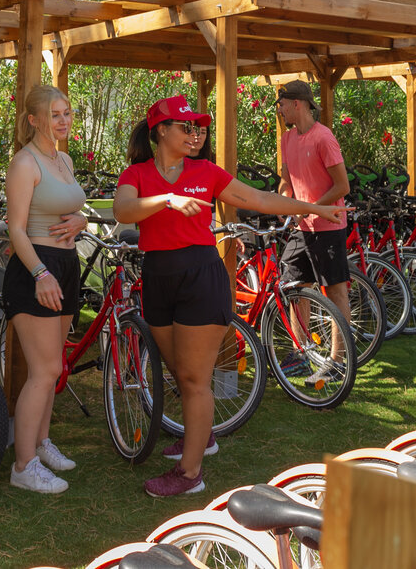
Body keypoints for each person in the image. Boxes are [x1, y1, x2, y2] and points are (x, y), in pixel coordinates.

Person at [113, 94, 348, 498]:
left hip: (201, 277)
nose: (194, 134)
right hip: (158, 277)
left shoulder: (207, 172)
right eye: (185, 127)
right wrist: (168, 200)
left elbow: (258, 199)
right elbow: (123, 211)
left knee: (193, 377)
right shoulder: (137, 174)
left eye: (197, 128)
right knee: (178, 371)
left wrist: (310, 206)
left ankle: (190, 475)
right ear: (160, 131)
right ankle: (200, 438)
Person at [3, 85, 89, 494]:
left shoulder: (65, 159)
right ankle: (23, 466)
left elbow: (73, 209)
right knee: (45, 370)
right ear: (34, 119)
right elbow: (15, 228)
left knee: (55, 365)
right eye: (55, 114)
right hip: (36, 269)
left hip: (66, 265)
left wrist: (82, 223)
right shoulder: (25, 162)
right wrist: (41, 274)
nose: (64, 120)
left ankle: (41, 442)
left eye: (67, 113)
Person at [275, 80, 352, 382]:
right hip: (301, 224)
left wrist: (312, 207)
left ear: (298, 103)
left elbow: (342, 186)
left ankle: (337, 362)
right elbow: (286, 179)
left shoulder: (324, 137)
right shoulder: (287, 139)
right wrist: (285, 200)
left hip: (328, 224)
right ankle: (302, 353)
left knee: (334, 291)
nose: (279, 110)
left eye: (281, 104)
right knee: (293, 287)